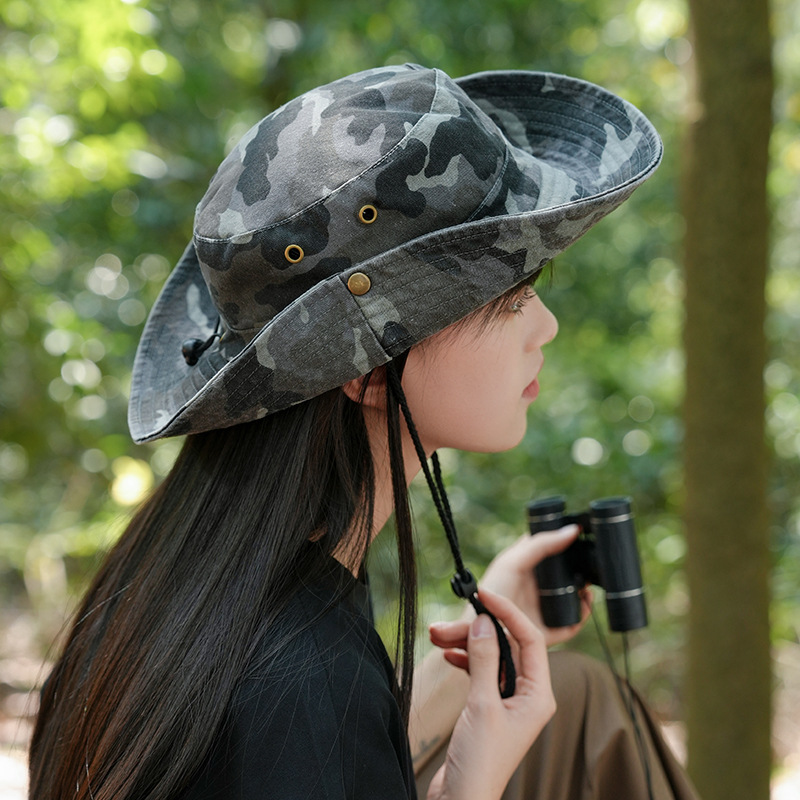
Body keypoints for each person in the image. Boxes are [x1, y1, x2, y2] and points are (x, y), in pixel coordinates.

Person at [28, 64, 693, 800]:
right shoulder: (313, 684)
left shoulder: (165, 585)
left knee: (579, 692)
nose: (547, 326)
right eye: (508, 297)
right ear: (370, 370)